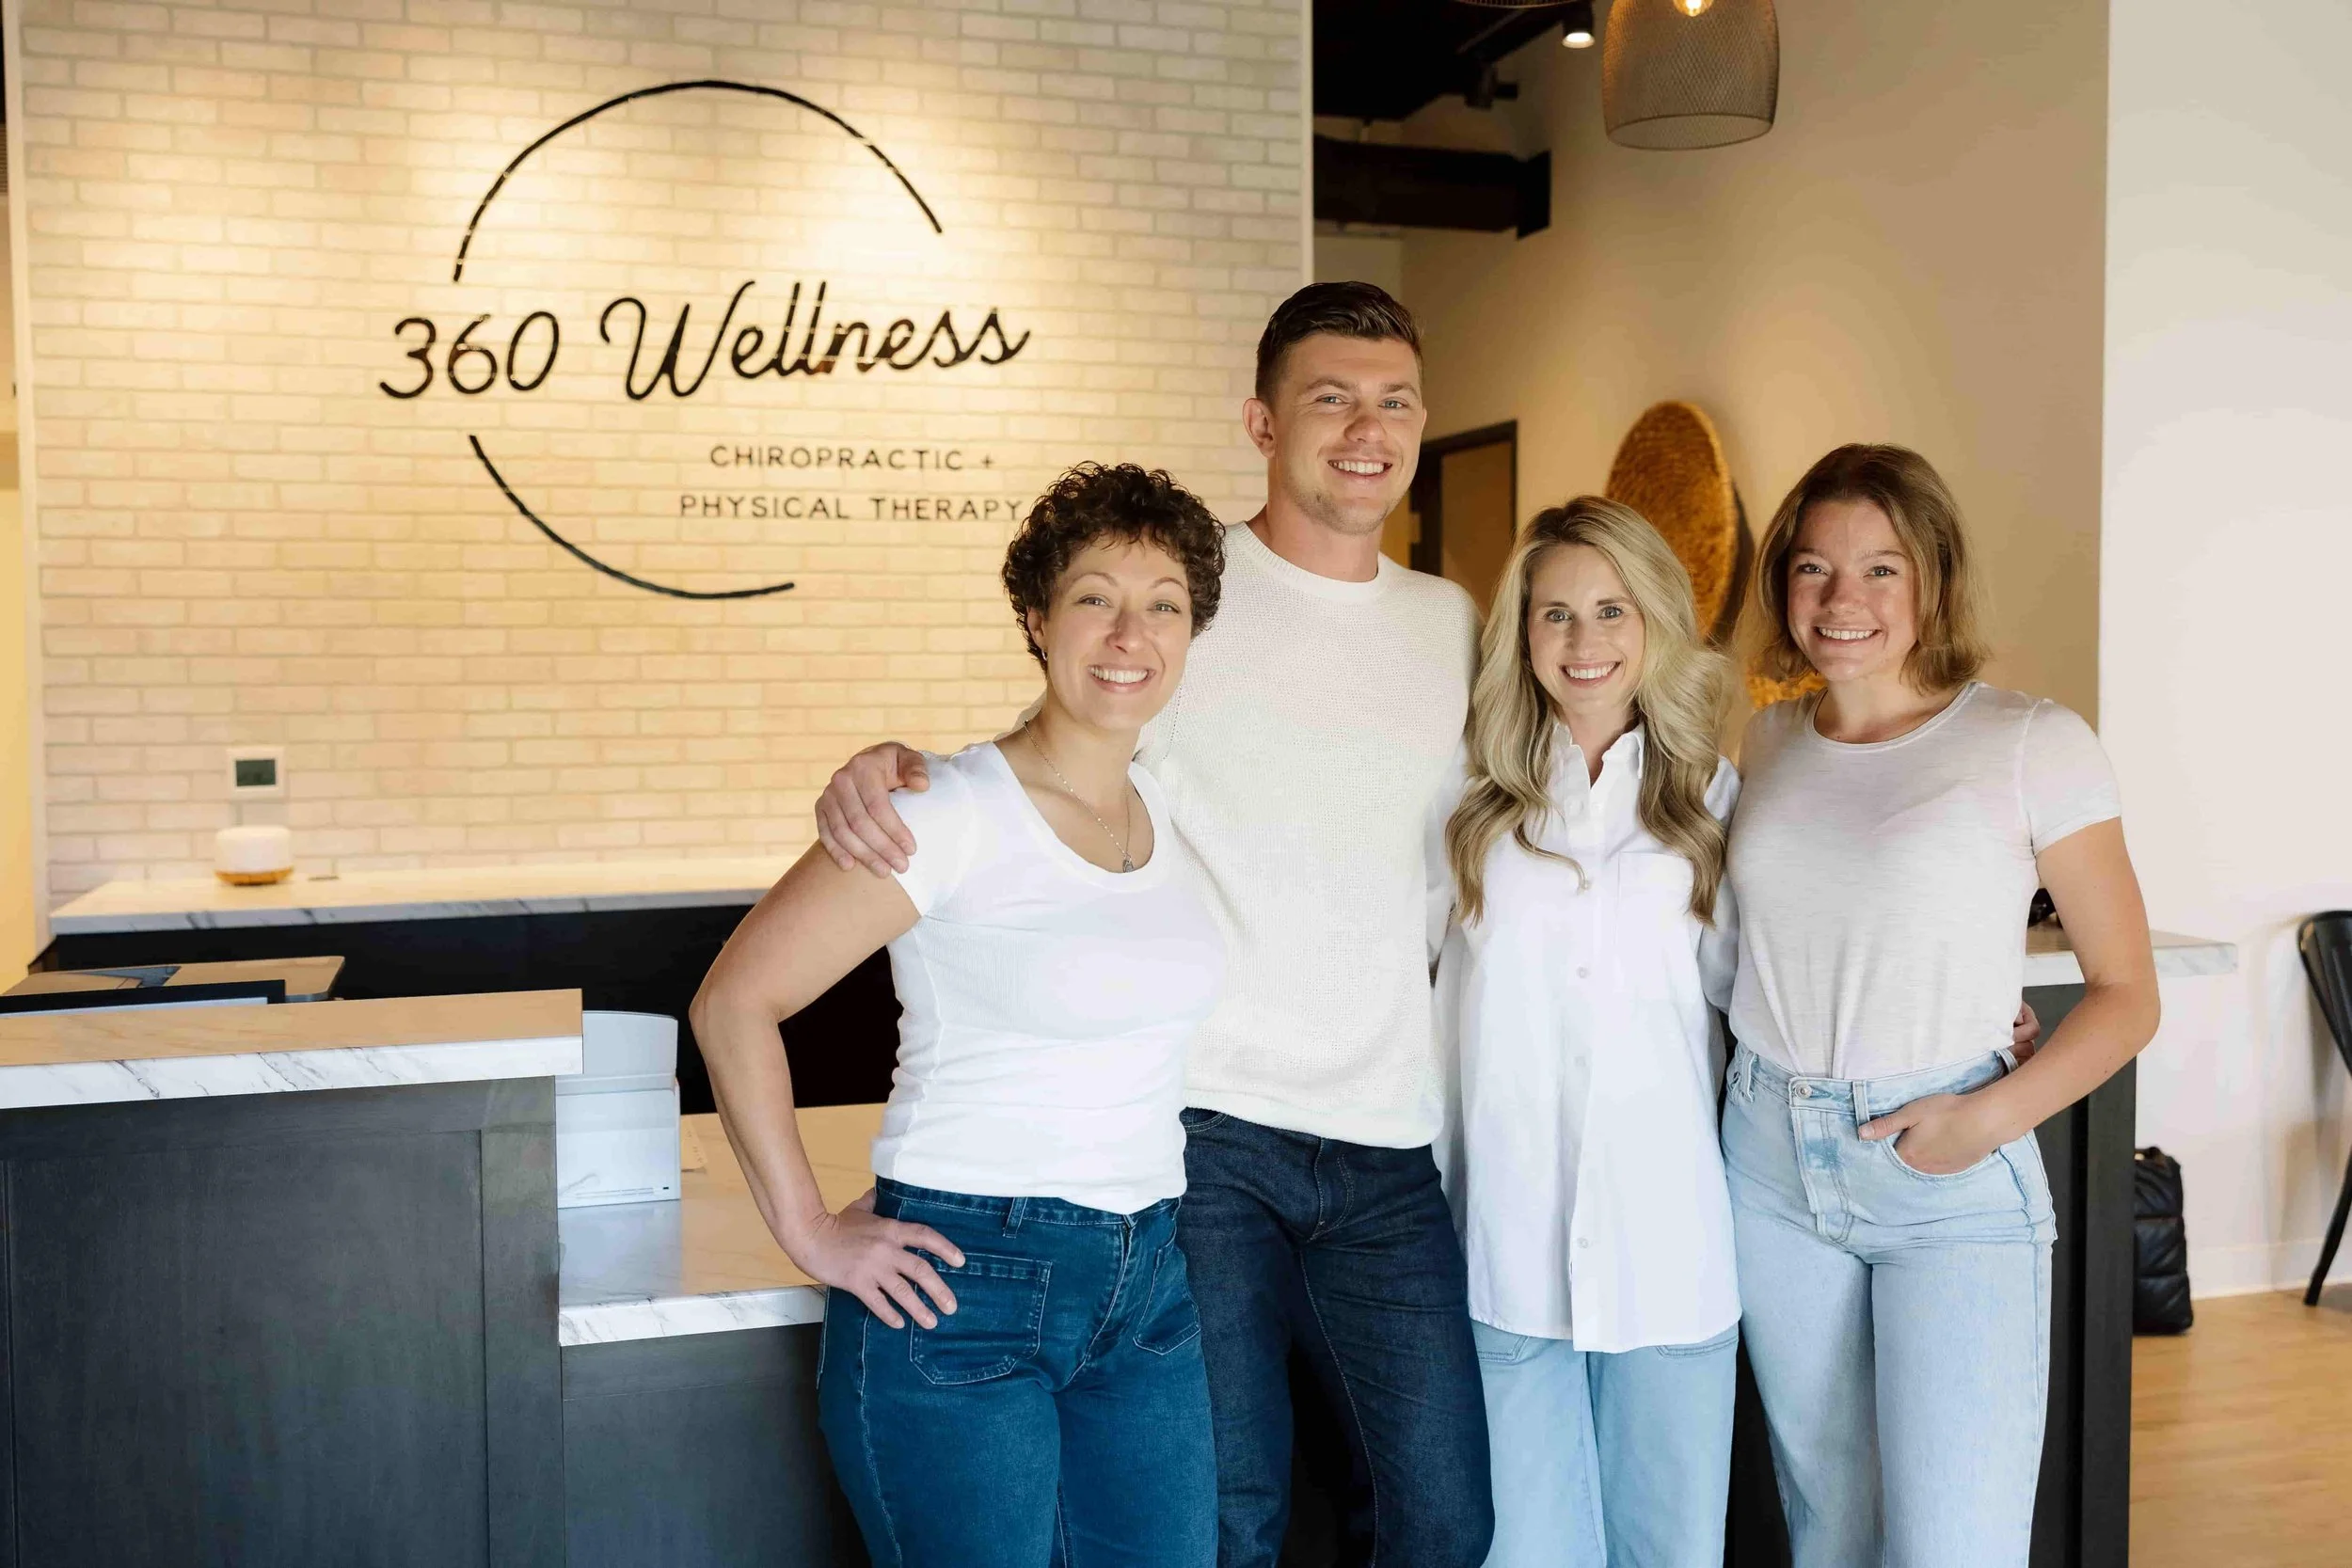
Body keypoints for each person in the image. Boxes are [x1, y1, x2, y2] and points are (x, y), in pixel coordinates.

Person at [812, 283, 1494, 1568]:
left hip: (1393, 1136)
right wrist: (893, 759)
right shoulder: (1187, 595)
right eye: (1329, 397)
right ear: (1261, 419)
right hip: (1206, 1132)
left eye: (1394, 399)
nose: (1367, 426)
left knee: (1446, 1518)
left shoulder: (1451, 622)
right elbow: (1052, 757)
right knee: (1222, 1520)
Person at [690, 462, 1232, 1568]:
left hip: (1150, 1281)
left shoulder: (1167, 808)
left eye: (1163, 603)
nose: (1130, 631)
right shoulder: (948, 807)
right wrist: (805, 1226)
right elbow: (734, 1001)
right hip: (964, 1277)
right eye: (1094, 595)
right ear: (1035, 617)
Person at [1721, 444, 2160, 1567]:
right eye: (1813, 569)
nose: (1841, 600)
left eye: (1879, 569)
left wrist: (1981, 1118)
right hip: (1766, 1157)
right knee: (1829, 1527)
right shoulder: (1766, 738)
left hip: (1947, 1166)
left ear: (1932, 578)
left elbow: (2124, 994)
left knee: (1950, 1542)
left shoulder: (2028, 741)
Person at [1435, 498, 1742, 1568]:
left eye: (1610, 608)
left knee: (1672, 1554)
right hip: (1505, 1257)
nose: (1583, 640)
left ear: (1653, 620)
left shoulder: (1714, 801)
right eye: (1554, 613)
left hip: (1671, 1254)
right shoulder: (1467, 802)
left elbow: (1768, 997)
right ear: (1520, 633)